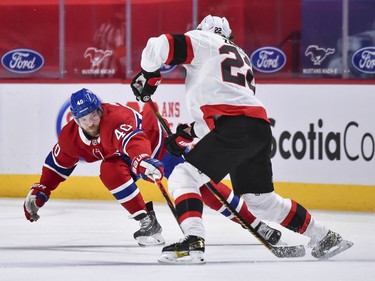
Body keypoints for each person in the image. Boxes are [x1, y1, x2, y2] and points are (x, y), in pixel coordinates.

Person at [131, 15, 353, 264]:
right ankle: (324, 236)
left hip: (235, 127)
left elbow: (159, 44)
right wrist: (187, 134)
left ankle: (193, 241)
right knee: (262, 201)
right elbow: (225, 109)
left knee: (184, 176)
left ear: (204, 30)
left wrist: (148, 76)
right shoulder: (240, 56)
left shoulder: (203, 40)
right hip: (257, 127)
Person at [23, 88, 280, 249]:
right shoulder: (70, 138)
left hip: (158, 148)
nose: (91, 122)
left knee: (202, 188)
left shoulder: (115, 119)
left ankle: (255, 223)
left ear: (100, 110)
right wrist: (42, 189)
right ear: (75, 120)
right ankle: (148, 223)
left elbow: (134, 140)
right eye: (84, 118)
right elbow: (57, 165)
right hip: (131, 159)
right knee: (109, 171)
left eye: (93, 114)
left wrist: (142, 160)